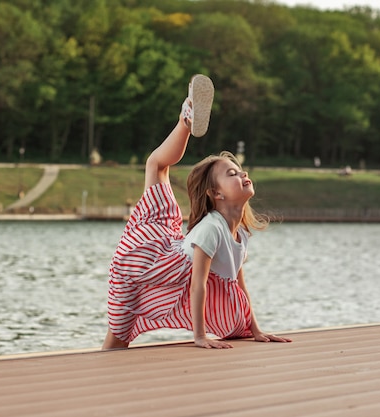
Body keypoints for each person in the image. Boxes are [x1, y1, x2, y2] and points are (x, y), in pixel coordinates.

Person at [102, 74, 292, 350]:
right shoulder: (212, 228)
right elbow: (198, 286)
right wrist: (200, 337)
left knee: (121, 335)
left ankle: (186, 120)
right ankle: (186, 121)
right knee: (156, 166)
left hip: (171, 273)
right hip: (146, 260)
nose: (243, 173)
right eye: (232, 173)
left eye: (240, 170)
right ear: (216, 194)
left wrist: (256, 331)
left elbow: (239, 287)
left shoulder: (239, 234)